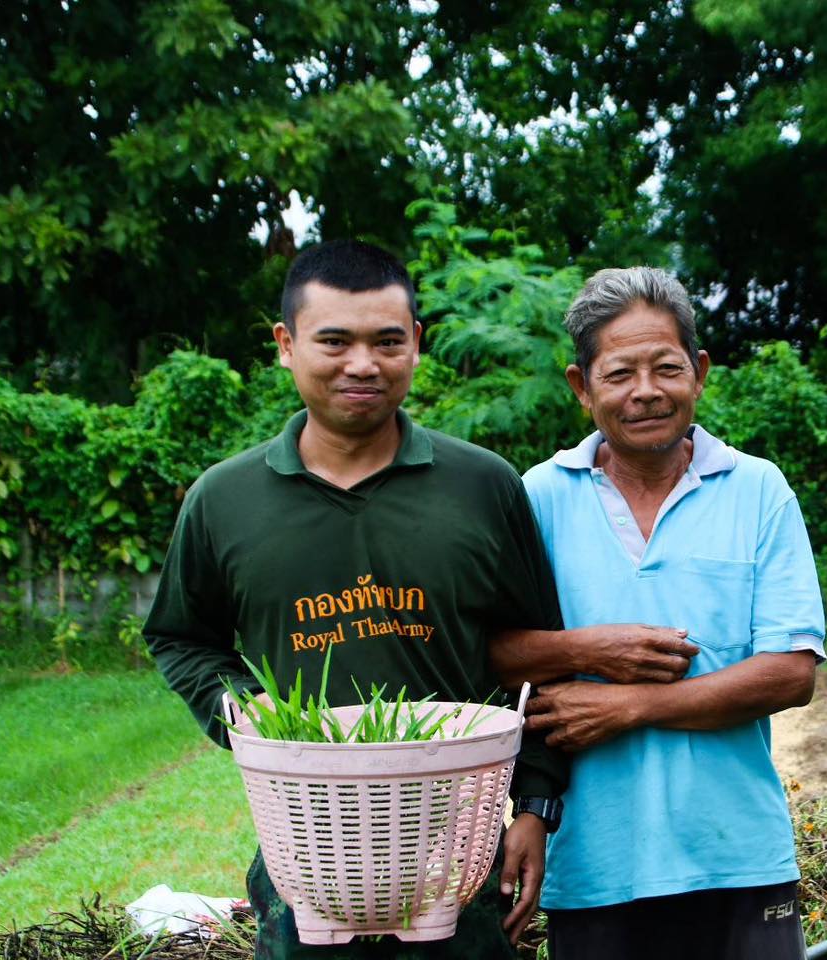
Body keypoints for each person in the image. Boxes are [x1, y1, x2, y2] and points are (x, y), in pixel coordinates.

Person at [144, 239, 568, 959]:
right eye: (334, 340)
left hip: (457, 856)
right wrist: (245, 712)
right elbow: (182, 637)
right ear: (286, 344)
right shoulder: (225, 500)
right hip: (305, 855)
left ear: (417, 346)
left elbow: (539, 653)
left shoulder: (483, 486)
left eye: (387, 341)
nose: (363, 364)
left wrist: (534, 808)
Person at [488, 266, 827, 960]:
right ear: (582, 388)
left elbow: (791, 674)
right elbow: (495, 652)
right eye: (619, 374)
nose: (646, 392)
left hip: (741, 858)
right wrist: (590, 650)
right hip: (594, 867)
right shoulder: (538, 497)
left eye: (666, 368)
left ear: (698, 372)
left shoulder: (758, 489)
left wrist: (629, 705)